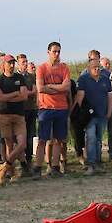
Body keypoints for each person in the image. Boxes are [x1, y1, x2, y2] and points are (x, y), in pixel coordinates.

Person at [0, 54, 31, 184]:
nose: (12, 65)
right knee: (9, 144)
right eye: (9, 63)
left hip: (19, 115)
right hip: (4, 115)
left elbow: (24, 96)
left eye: (13, 63)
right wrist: (15, 94)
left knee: (21, 144)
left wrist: (7, 96)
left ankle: (4, 166)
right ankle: (12, 172)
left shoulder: (20, 78)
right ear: (3, 65)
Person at [35, 42, 72, 177]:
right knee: (42, 140)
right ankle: (38, 167)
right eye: (54, 51)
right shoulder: (41, 68)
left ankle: (55, 167)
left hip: (61, 107)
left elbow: (66, 87)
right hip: (46, 108)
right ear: (48, 52)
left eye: (58, 51)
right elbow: (40, 88)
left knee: (58, 139)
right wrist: (58, 88)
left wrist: (50, 86)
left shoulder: (64, 68)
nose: (57, 54)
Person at [75, 58, 112, 174]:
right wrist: (79, 113)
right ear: (88, 68)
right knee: (90, 138)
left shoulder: (105, 80)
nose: (96, 69)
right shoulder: (83, 79)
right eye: (94, 67)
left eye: (98, 67)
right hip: (90, 115)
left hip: (102, 114)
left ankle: (98, 163)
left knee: (99, 140)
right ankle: (91, 164)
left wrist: (110, 111)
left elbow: (110, 97)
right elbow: (80, 97)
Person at [18, 55, 38, 170]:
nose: (25, 64)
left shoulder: (31, 76)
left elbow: (34, 91)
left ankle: (29, 159)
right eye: (23, 62)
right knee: (21, 137)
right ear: (18, 64)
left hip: (31, 108)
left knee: (30, 135)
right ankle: (22, 162)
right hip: (20, 110)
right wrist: (24, 93)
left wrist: (25, 93)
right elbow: (19, 93)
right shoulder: (16, 77)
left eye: (26, 61)